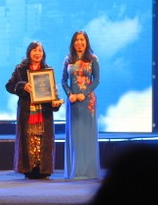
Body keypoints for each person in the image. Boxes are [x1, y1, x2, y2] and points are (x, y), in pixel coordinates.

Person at [6, 41, 63, 179]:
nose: (38, 53)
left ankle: (43, 170)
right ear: (29, 52)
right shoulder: (20, 69)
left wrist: (55, 103)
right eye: (34, 50)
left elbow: (52, 92)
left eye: (40, 50)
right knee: (29, 139)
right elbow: (9, 86)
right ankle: (29, 169)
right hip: (27, 111)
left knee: (43, 140)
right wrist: (22, 86)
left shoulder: (47, 70)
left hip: (44, 112)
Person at [61, 30, 100, 179]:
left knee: (88, 135)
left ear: (86, 42)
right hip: (73, 102)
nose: (79, 42)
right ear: (73, 43)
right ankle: (75, 170)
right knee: (75, 135)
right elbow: (64, 81)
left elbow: (96, 80)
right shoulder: (68, 59)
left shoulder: (93, 59)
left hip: (88, 101)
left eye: (82, 40)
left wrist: (85, 93)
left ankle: (89, 171)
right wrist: (70, 94)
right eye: (76, 40)